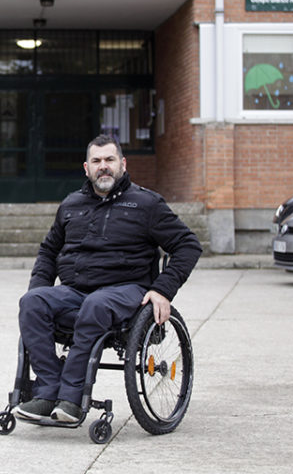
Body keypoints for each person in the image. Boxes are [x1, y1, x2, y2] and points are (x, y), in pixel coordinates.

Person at [14, 134, 202, 423]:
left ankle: (72, 399)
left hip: (128, 290)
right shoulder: (71, 205)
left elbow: (188, 245)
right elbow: (49, 251)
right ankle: (47, 390)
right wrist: (41, 292)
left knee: (97, 305)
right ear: (86, 168)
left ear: (122, 164)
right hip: (76, 290)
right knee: (32, 302)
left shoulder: (146, 204)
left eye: (109, 160)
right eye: (97, 161)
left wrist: (163, 290)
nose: (103, 166)